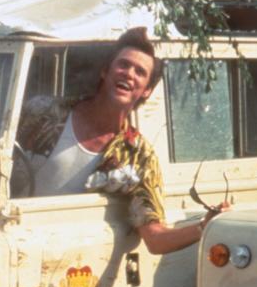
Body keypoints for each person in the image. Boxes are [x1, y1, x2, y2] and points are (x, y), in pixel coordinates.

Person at [17, 27, 226, 255]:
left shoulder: (138, 156)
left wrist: (205, 226)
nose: (129, 74)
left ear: (147, 91)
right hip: (15, 239)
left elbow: (155, 239)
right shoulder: (43, 112)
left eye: (140, 72)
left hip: (69, 259)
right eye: (123, 64)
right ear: (105, 71)